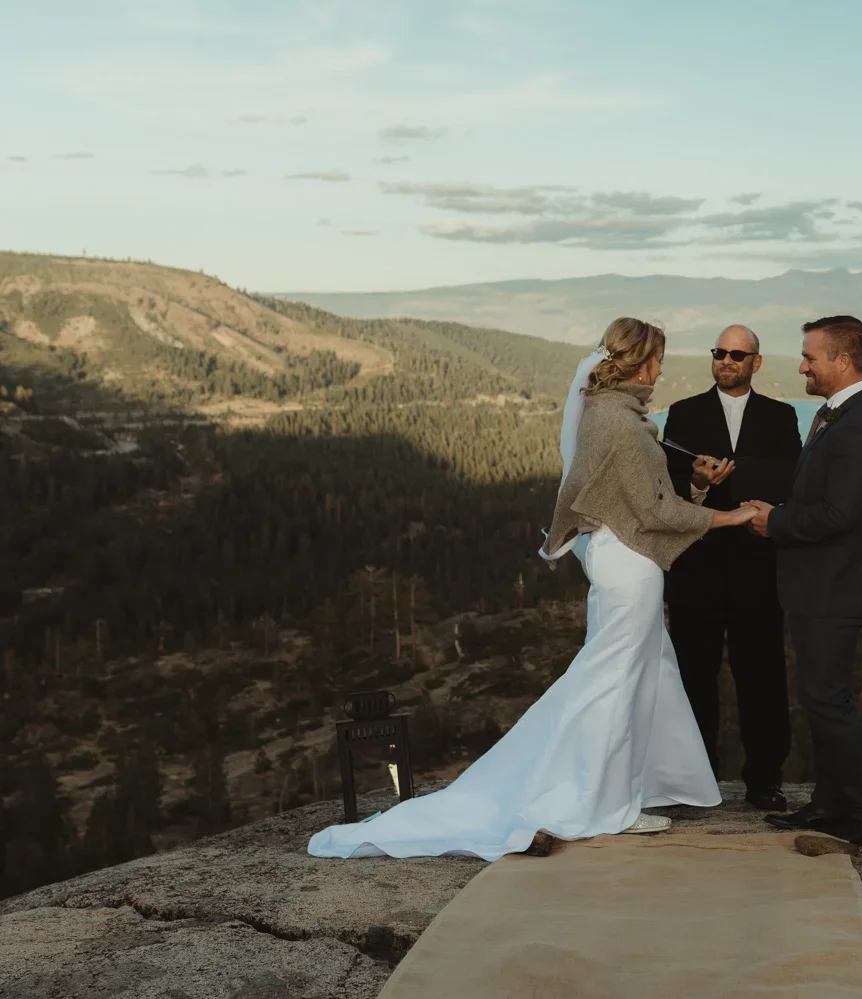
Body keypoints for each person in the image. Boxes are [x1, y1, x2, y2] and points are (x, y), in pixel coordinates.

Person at [306, 317, 758, 861]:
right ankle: (601, 802)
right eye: (658, 358)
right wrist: (729, 517)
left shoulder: (609, 412)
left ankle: (638, 785)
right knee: (613, 683)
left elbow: (632, 490)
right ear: (639, 363)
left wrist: (694, 486)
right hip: (631, 566)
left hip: (621, 560)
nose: (662, 368)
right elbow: (651, 509)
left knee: (639, 675)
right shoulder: (620, 423)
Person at [746, 315, 862, 846]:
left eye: (811, 357)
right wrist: (781, 509)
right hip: (821, 584)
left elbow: (840, 515)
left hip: (836, 587)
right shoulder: (839, 414)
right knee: (819, 697)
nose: (803, 365)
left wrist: (774, 522)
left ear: (842, 360)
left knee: (828, 699)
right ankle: (833, 803)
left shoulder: (861, 425)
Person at [663, 324, 802, 811]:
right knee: (692, 676)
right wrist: (699, 484)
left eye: (737, 355)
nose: (726, 361)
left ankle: (764, 781)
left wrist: (761, 506)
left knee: (762, 677)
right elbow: (665, 494)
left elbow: (793, 483)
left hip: (757, 569)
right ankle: (694, 782)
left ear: (756, 363)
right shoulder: (682, 414)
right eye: (719, 352)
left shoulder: (782, 417)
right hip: (695, 569)